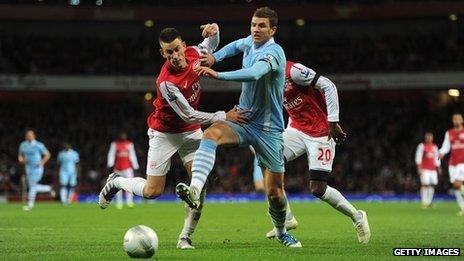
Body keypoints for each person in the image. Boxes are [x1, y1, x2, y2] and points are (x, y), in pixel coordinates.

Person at [99, 23, 246, 249]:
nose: (175, 56)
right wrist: (223, 116)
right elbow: (188, 114)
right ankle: (117, 181)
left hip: (190, 133)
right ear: (163, 54)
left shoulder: (194, 54)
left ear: (184, 46)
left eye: (177, 49)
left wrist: (214, 31)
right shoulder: (166, 82)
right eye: (169, 52)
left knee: (200, 185)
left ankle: (185, 237)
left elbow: (211, 48)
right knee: (152, 191)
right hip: (164, 133)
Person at [176, 7, 302, 247]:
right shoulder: (250, 42)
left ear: (272, 30)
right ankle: (194, 189)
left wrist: (217, 73)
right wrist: (215, 57)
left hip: (269, 131)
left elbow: (255, 74)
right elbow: (235, 46)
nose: (256, 29)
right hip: (243, 119)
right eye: (253, 24)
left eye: (262, 26)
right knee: (211, 133)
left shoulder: (274, 52)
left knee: (275, 192)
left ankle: (281, 230)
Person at [248, 61, 370, 243]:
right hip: (296, 129)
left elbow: (329, 85)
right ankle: (286, 219)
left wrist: (333, 121)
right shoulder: (264, 81)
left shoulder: (294, 71)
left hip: (321, 133)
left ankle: (357, 216)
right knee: (266, 161)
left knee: (317, 189)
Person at [18, 129, 54, 211]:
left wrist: (42, 162)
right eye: (27, 135)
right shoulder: (23, 145)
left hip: (37, 168)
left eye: (30, 135)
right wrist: (21, 160)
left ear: (34, 136)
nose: (29, 137)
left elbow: (47, 154)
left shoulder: (39, 145)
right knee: (32, 186)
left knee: (33, 185)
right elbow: (20, 155)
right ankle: (49, 188)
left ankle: (30, 204)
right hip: (28, 168)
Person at [439, 113, 464, 216]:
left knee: (458, 183)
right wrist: (442, 153)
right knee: (456, 187)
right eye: (454, 119)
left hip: (462, 162)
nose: (456, 121)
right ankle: (463, 208)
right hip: (452, 163)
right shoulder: (449, 133)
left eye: (458, 119)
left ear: (462, 120)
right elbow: (446, 146)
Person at [107, 132, 139, 209]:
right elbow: (111, 154)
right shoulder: (114, 144)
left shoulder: (129, 144)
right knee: (118, 186)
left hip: (128, 168)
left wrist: (135, 165)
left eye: (124, 135)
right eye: (121, 135)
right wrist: (110, 164)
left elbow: (132, 154)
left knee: (129, 185)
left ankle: (129, 201)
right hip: (118, 168)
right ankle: (119, 203)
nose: (123, 136)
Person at [415, 132, 441, 208]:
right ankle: (424, 202)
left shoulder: (435, 147)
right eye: (427, 137)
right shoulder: (421, 146)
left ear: (432, 138)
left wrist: (439, 167)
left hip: (433, 169)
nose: (429, 138)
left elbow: (437, 157)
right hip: (425, 169)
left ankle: (429, 202)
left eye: (430, 137)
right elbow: (418, 157)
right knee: (425, 185)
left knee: (432, 185)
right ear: (425, 138)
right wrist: (419, 167)